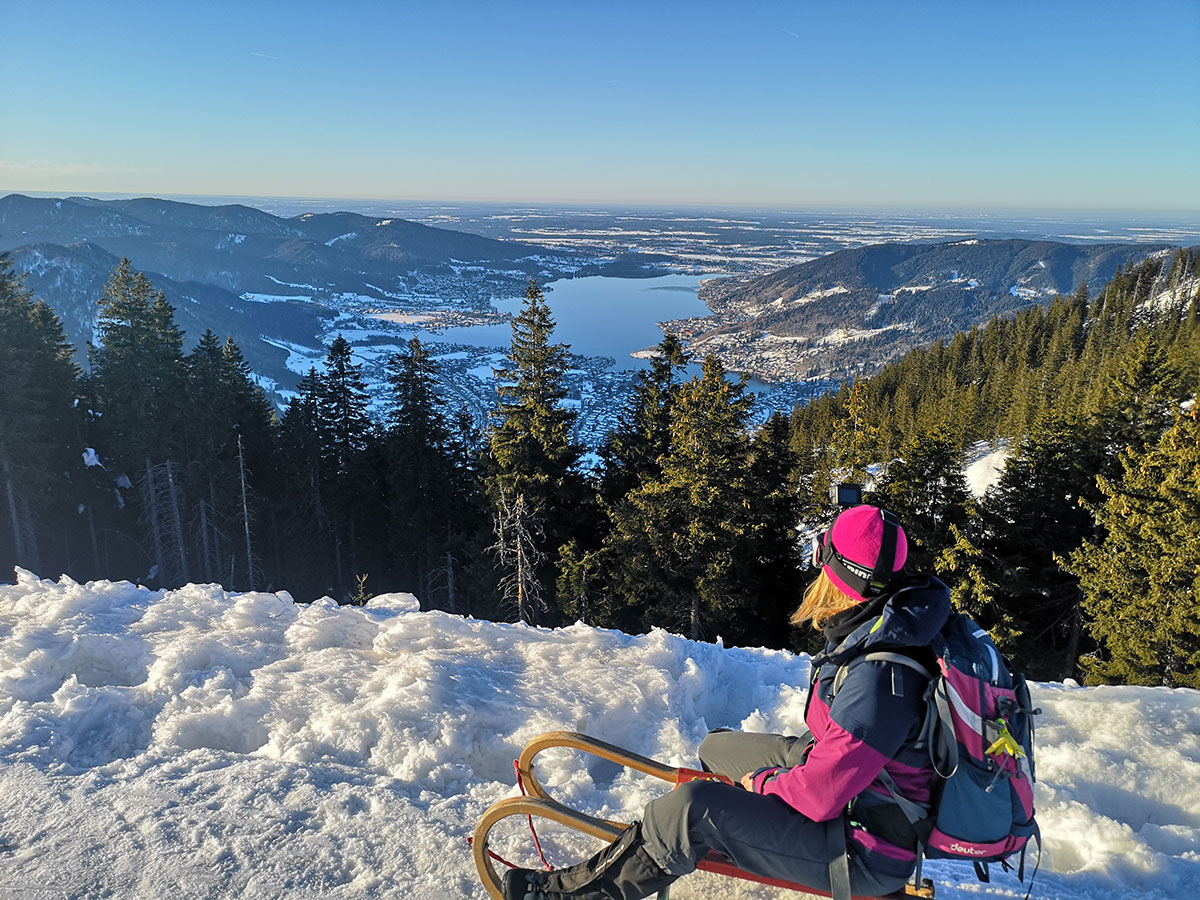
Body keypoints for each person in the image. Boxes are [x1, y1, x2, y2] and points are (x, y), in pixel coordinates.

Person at [502, 504, 952, 900]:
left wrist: (764, 784)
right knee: (718, 750)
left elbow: (819, 796)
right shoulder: (884, 623)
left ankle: (580, 893)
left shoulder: (881, 675)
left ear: (838, 572)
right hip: (860, 789)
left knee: (691, 807)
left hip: (863, 847)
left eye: (821, 552)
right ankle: (730, 833)